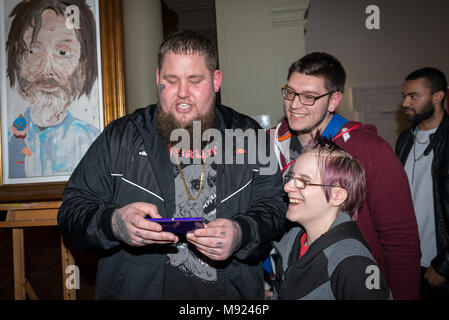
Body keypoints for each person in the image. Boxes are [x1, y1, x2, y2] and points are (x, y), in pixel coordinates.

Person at [57, 30, 286, 299]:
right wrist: (113, 223)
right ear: (158, 79)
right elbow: (71, 211)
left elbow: (275, 207)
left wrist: (242, 232)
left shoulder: (249, 135)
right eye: (171, 80)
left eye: (195, 80)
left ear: (216, 80)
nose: (183, 94)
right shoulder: (120, 137)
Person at [271, 52, 421, 299]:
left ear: (333, 100)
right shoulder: (274, 145)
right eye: (290, 92)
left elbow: (400, 239)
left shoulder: (371, 149)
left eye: (309, 97)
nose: (295, 105)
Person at [271, 136, 391, 300]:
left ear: (337, 195)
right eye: (291, 178)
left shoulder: (354, 262)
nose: (287, 187)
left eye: (303, 181)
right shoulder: (292, 242)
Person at [6, 0, 99, 177]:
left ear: (83, 65)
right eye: (33, 51)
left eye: (63, 52)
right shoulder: (7, 141)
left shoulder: (94, 142)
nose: (47, 70)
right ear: (17, 60)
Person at [396, 67, 449, 299]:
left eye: (413, 96)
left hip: (439, 265)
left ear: (438, 96)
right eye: (404, 96)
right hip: (407, 261)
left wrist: (445, 265)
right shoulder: (405, 139)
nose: (405, 103)